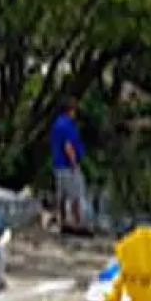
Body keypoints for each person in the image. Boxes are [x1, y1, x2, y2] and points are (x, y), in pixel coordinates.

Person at [51, 97, 90, 235]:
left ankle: (63, 222)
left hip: (58, 165)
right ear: (70, 110)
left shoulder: (56, 124)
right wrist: (74, 163)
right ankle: (77, 223)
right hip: (68, 165)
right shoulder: (67, 125)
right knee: (75, 195)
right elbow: (68, 146)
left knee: (62, 195)